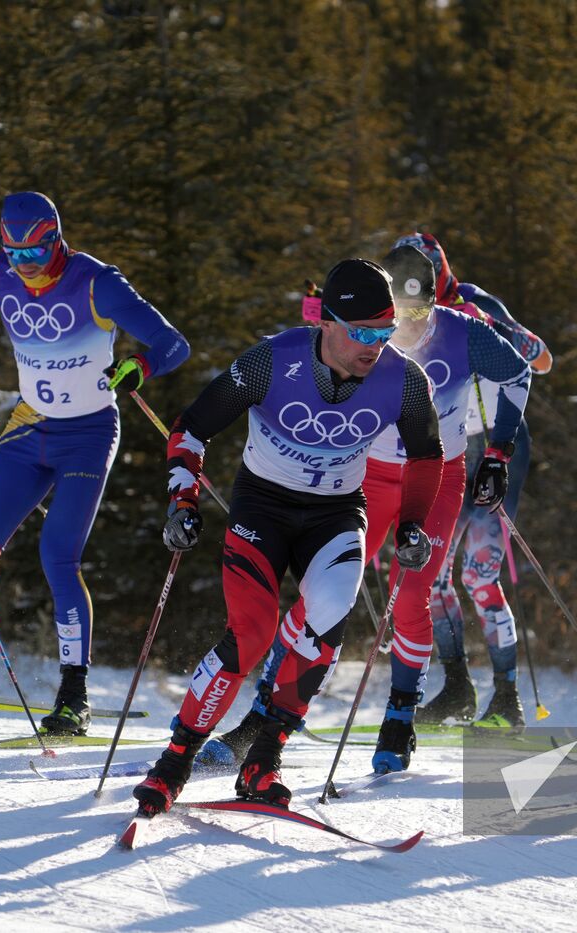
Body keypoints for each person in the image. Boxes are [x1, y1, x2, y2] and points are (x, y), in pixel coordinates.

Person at [197, 245, 532, 773]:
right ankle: (264, 713)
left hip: (438, 476)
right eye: (402, 315)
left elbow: (518, 374)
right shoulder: (368, 337)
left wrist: (499, 452)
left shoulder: (465, 331)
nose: (412, 327)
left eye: (422, 313)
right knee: (322, 594)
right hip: (369, 475)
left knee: (414, 593)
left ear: (439, 300)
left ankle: (399, 720)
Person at [132, 258, 444, 814]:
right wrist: (183, 498)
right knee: (251, 636)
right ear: (327, 323)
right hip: (263, 508)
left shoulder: (404, 380)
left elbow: (425, 456)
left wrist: (413, 521)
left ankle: (264, 758)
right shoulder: (272, 361)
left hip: (337, 514)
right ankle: (174, 762)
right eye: (363, 332)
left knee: (325, 620)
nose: (376, 344)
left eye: (385, 331)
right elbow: (192, 427)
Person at [0, 192, 190, 735]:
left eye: (34, 255)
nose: (25, 268)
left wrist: (140, 365)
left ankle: (73, 696)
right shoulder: (2, 275)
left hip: (87, 433)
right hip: (31, 424)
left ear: (56, 240)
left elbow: (174, 343)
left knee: (58, 557)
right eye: (14, 255)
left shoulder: (96, 282)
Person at [389, 232, 553, 728]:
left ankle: (508, 699)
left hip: (497, 447)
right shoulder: (399, 310)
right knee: (432, 577)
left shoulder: (472, 302)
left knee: (478, 573)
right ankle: (457, 688)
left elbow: (540, 359)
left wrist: (491, 328)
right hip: (446, 449)